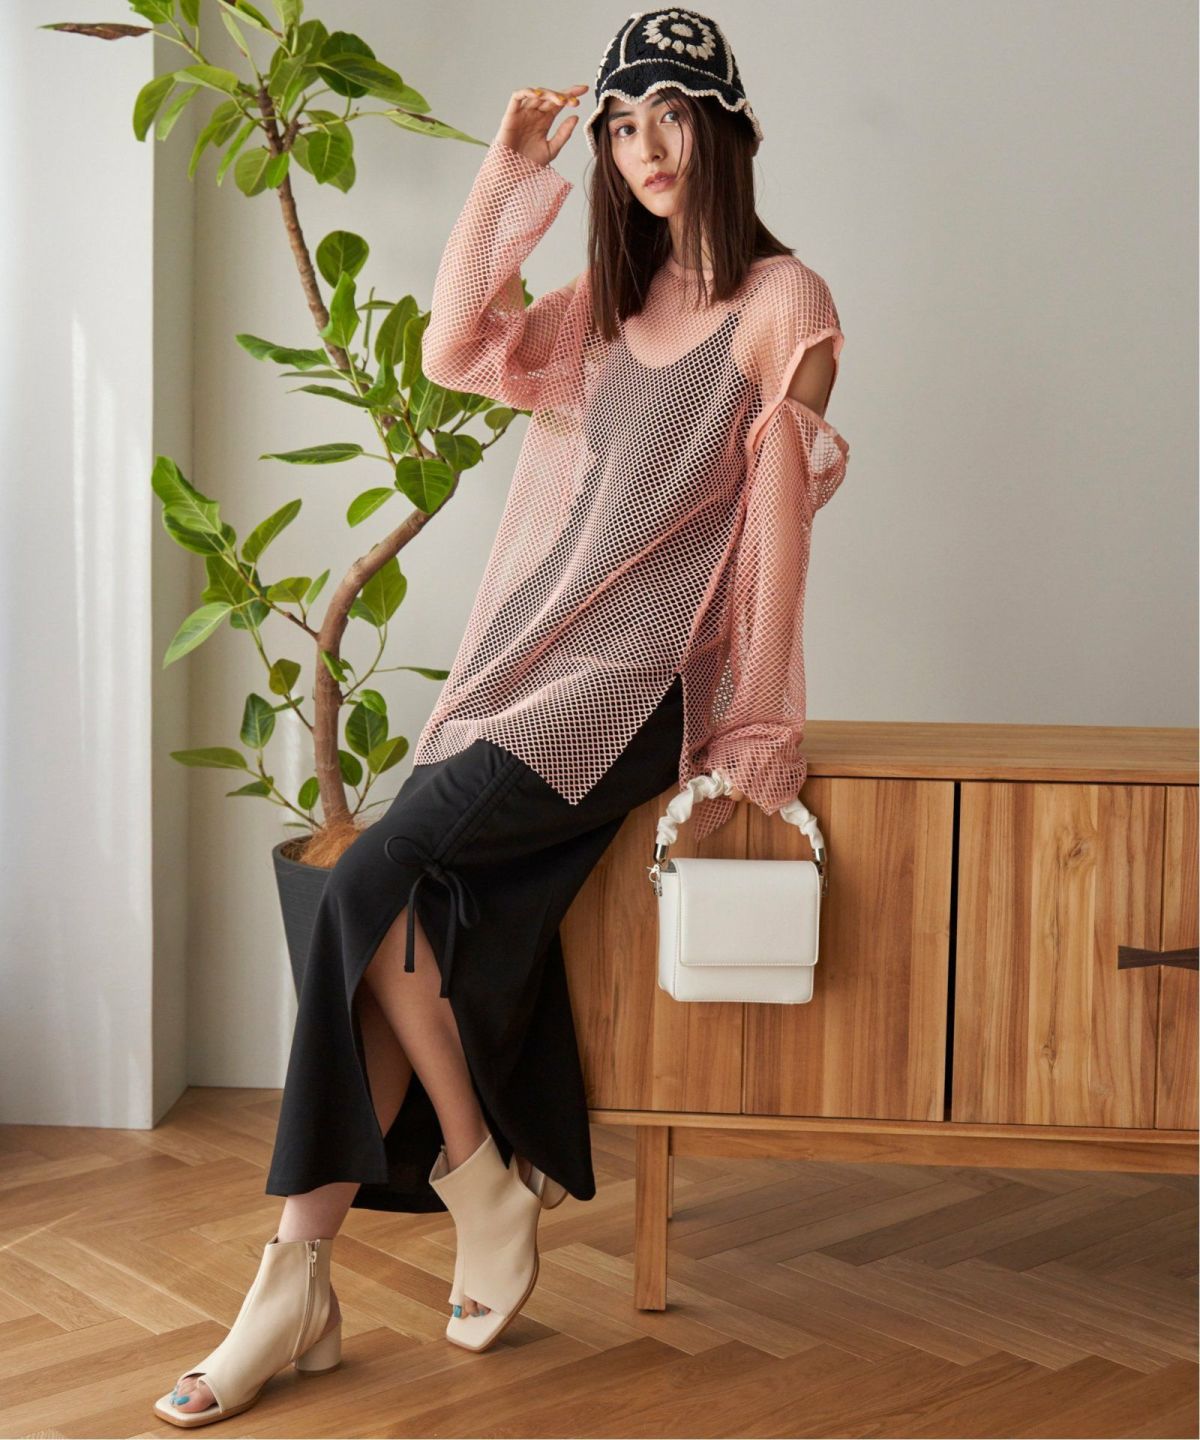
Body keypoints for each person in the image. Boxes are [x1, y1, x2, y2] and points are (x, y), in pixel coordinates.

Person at [154, 6, 849, 1426]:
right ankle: (427, 1210)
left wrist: (756, 727)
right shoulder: (604, 301)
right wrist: (507, 173)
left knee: (366, 881)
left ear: (726, 128)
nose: (645, 147)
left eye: (671, 114)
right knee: (370, 900)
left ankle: (326, 1265)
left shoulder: (784, 303)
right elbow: (457, 348)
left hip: (632, 684)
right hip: (520, 662)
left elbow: (778, 528)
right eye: (621, 124)